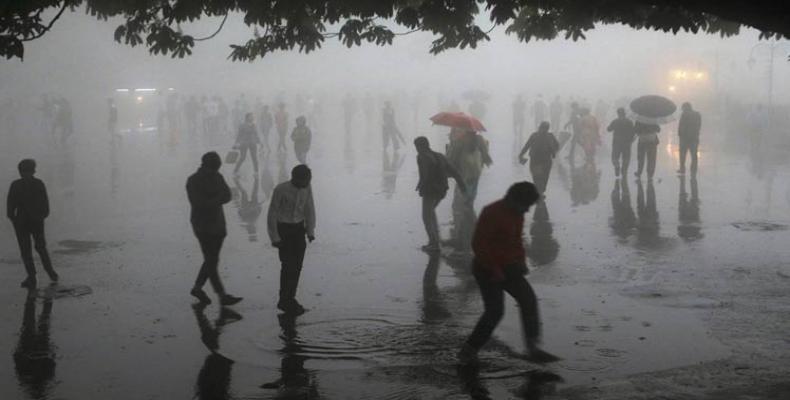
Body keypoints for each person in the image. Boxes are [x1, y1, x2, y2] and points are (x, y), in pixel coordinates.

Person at [458, 182, 560, 365]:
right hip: (486, 268)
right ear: (514, 200)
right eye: (526, 205)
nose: (527, 210)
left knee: (528, 300)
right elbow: (479, 245)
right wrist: (495, 270)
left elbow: (515, 241)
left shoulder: (517, 214)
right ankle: (469, 350)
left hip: (510, 267)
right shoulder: (492, 212)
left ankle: (532, 348)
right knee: (495, 312)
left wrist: (521, 261)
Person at [186, 152, 243, 306]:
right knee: (211, 259)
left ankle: (198, 288)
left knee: (211, 259)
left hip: (216, 225)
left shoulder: (216, 177)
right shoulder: (194, 181)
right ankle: (222, 295)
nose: (214, 171)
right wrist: (217, 198)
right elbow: (199, 203)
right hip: (203, 226)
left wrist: (214, 199)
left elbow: (227, 195)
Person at [267, 165, 316, 315]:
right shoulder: (281, 189)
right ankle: (284, 299)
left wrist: (310, 231)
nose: (307, 183)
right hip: (284, 231)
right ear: (295, 178)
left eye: (309, 180)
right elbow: (272, 214)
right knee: (288, 266)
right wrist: (275, 237)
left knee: (297, 266)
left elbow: (309, 208)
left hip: (299, 230)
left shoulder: (307, 188)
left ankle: (290, 298)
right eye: (305, 180)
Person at [7, 159, 58, 288]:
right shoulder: (38, 184)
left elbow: (10, 207)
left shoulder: (16, 185)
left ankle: (32, 276)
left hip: (22, 222)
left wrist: (14, 219)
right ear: (33, 170)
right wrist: (40, 216)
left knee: (27, 250)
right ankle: (50, 272)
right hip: (35, 221)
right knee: (40, 248)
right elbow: (45, 206)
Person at [414, 136, 466, 253]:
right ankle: (435, 240)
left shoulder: (422, 157)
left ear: (420, 146)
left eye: (417, 147)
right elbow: (454, 171)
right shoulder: (440, 156)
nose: (417, 150)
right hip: (442, 190)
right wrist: (463, 187)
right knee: (431, 212)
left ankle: (434, 243)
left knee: (426, 216)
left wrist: (421, 186)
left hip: (430, 190)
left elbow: (425, 175)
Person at [519, 122, 560, 194]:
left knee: (542, 177)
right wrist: (521, 155)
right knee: (540, 177)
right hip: (539, 160)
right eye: (542, 128)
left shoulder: (537, 135)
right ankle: (540, 190)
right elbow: (527, 146)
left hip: (541, 160)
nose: (543, 130)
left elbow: (557, 145)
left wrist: (554, 152)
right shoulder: (545, 136)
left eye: (544, 128)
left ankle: (541, 190)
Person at [607, 108, 635, 177]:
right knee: (626, 157)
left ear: (618, 114)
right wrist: (631, 139)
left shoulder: (615, 121)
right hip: (627, 143)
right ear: (624, 113)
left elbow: (609, 129)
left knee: (615, 157)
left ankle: (617, 166)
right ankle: (624, 170)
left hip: (617, 142)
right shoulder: (629, 122)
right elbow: (633, 132)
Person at [677, 102, 702, 175]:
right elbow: (699, 125)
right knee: (694, 155)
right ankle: (693, 170)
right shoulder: (697, 115)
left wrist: (680, 134)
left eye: (683, 108)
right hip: (694, 138)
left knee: (682, 155)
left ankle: (682, 169)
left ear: (685, 108)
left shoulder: (684, 115)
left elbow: (681, 126)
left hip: (684, 138)